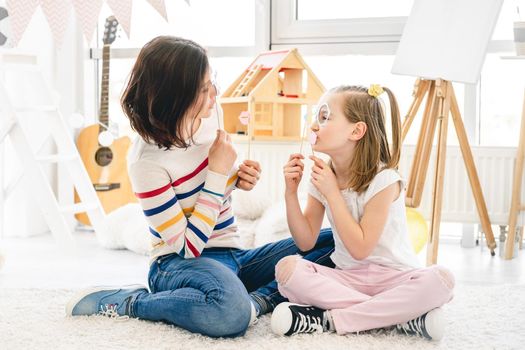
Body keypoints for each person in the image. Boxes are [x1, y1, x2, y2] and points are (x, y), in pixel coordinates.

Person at [65, 36, 334, 338]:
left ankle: (256, 302)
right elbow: (188, 247)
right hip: (177, 265)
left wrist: (238, 179)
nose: (214, 94)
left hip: (233, 256)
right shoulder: (145, 162)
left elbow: (211, 193)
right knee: (229, 314)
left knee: (336, 244)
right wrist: (219, 175)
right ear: (174, 98)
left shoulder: (206, 121)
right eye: (204, 89)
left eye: (211, 83)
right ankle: (134, 302)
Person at [270, 85, 455, 341]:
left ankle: (329, 319)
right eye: (315, 117)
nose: (314, 126)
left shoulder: (385, 180)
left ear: (356, 131)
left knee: (442, 280)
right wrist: (290, 194)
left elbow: (361, 248)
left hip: (395, 278)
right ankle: (399, 316)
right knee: (287, 270)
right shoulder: (322, 179)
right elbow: (305, 242)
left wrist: (333, 193)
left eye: (324, 117)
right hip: (347, 279)